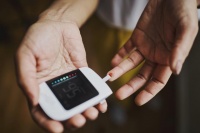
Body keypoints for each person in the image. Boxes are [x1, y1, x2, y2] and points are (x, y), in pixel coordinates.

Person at [15, 0, 199, 132]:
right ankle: (119, 105)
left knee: (142, 72)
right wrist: (57, 19)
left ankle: (125, 100)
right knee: (113, 71)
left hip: (157, 27)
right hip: (105, 19)